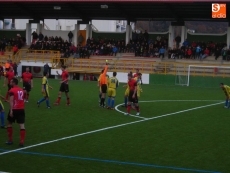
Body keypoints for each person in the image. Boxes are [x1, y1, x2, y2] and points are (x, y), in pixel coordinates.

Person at [6, 77, 26, 147]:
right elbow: (24, 99)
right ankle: (22, 141)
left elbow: (11, 101)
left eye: (11, 82)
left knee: (9, 123)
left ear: (14, 83)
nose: (10, 83)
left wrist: (11, 110)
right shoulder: (21, 90)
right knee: (22, 125)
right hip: (21, 109)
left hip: (14, 109)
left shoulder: (12, 90)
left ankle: (10, 140)